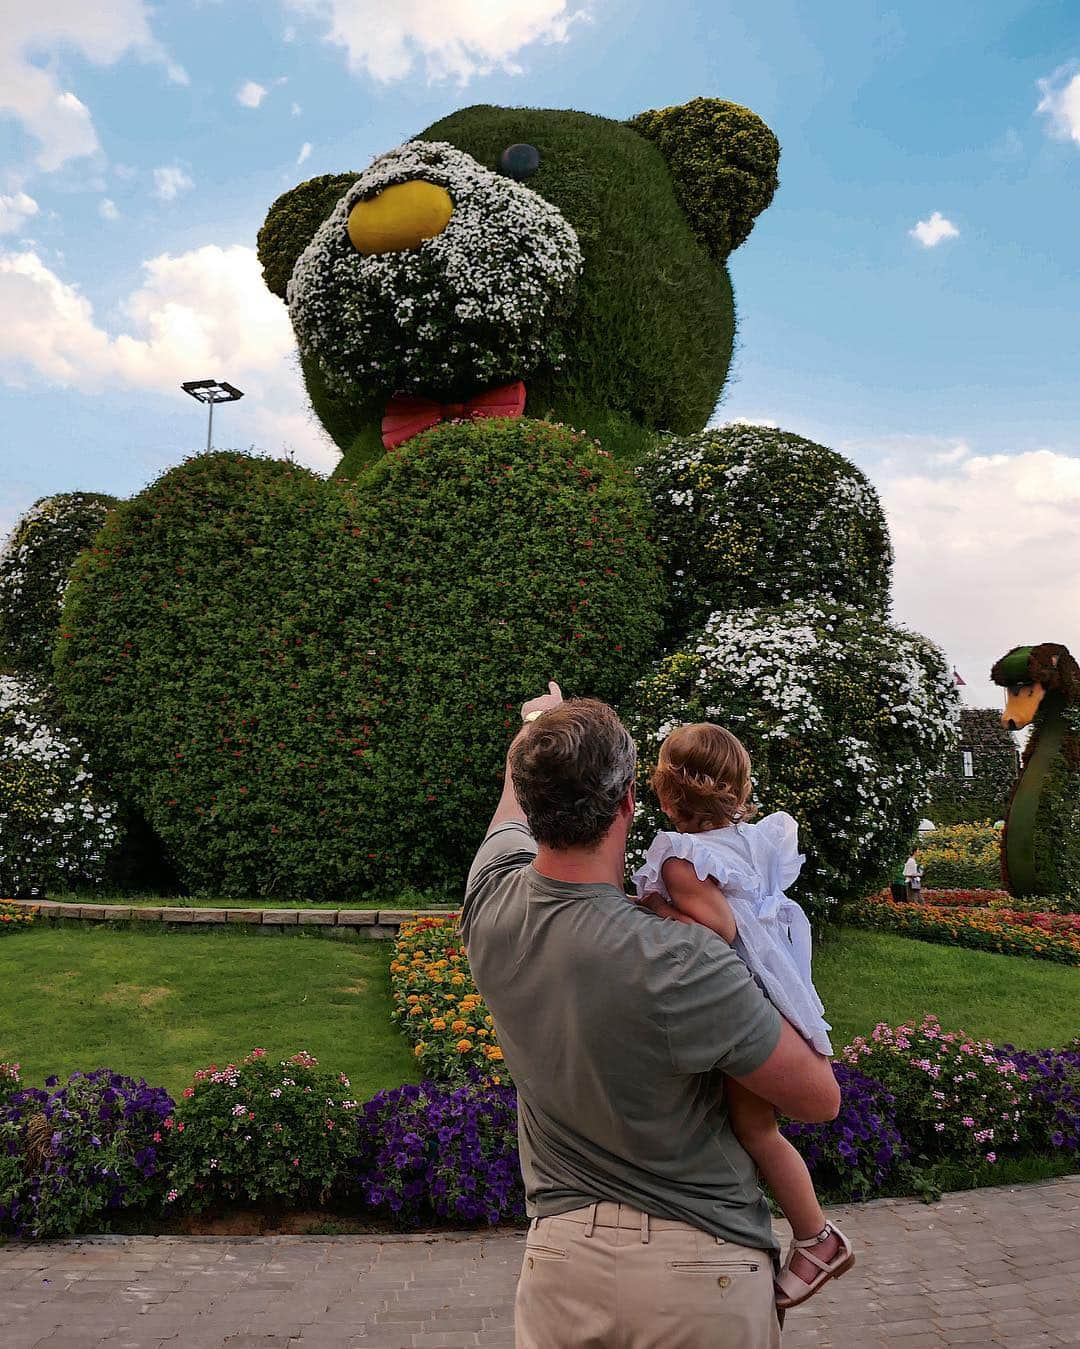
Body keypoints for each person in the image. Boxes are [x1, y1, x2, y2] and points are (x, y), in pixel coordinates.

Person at [461, 683, 841, 1349]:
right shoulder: (683, 957)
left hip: (559, 1267)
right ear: (629, 801)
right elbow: (818, 1097)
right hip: (699, 1271)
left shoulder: (491, 901)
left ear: (531, 793)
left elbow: (509, 801)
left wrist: (540, 725)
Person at [630, 723, 853, 1310]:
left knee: (756, 1129)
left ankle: (816, 1239)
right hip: (778, 987)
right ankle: (806, 1235)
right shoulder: (752, 840)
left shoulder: (683, 860)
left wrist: (654, 909)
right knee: (754, 1127)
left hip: (745, 1000)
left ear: (666, 793)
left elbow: (721, 931)